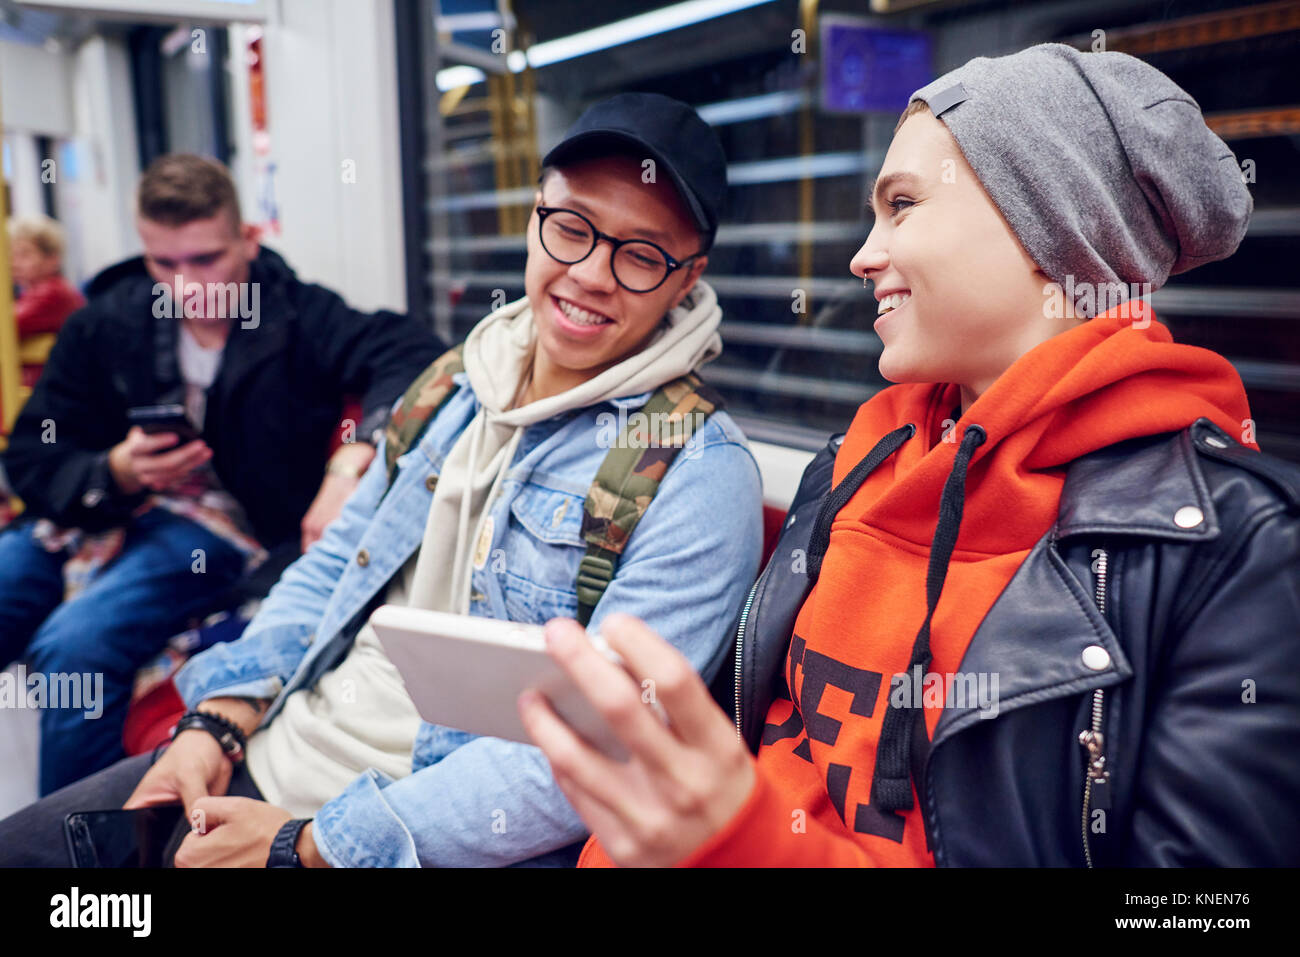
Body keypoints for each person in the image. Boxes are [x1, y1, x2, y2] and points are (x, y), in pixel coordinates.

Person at [520, 43, 1300, 867]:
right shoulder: (856, 458)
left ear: (1047, 227)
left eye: (901, 206)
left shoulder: (1235, 551)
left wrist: (747, 846)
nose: (862, 256)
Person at [0, 93, 763, 868]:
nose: (591, 274)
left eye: (640, 255)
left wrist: (313, 844)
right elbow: (333, 565)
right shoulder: (454, 386)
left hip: (404, 832)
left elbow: (606, 746)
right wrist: (216, 721)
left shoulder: (696, 472)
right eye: (570, 229)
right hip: (270, 755)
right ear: (536, 219)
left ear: (686, 278)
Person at [0, 154, 442, 794]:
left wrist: (352, 461)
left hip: (219, 532)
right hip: (91, 514)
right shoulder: (108, 321)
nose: (187, 285)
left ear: (248, 239)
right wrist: (114, 469)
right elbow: (32, 455)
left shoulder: (298, 315)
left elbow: (412, 355)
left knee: (78, 647)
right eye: (165, 264)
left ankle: (85, 860)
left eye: (206, 260)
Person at [7, 213, 84, 387]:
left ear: (53, 259)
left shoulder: (52, 294)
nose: (14, 262)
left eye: (25, 254)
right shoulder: (32, 294)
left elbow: (6, 325)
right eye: (11, 254)